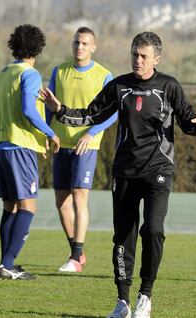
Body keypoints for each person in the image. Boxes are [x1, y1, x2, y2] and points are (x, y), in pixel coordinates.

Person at [40, 31, 196, 318]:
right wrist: (59, 110)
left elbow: (188, 122)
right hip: (124, 172)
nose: (137, 60)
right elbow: (90, 115)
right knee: (123, 236)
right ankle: (122, 301)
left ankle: (145, 296)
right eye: (134, 54)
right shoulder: (119, 86)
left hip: (158, 171)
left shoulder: (169, 87)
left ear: (156, 59)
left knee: (152, 230)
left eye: (143, 56)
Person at [0, 24, 60, 280]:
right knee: (28, 206)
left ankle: (7, 265)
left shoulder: (1, 75)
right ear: (38, 48)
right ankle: (7, 265)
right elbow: (29, 109)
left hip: (0, 147)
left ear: (14, 46)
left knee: (11, 207)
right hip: (20, 147)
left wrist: (0, 133)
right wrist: (50, 133)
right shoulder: (30, 74)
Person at [47, 26, 117, 273]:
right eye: (77, 42)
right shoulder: (59, 71)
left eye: (85, 43)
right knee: (61, 201)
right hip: (61, 143)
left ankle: (75, 258)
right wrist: (48, 132)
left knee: (79, 194)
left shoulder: (104, 75)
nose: (80, 47)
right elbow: (50, 106)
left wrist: (91, 133)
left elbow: (113, 112)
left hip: (86, 144)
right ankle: (77, 251)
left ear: (93, 47)